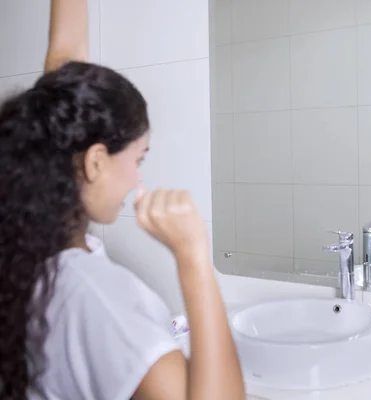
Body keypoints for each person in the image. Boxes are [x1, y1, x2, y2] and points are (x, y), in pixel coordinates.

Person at [0, 0, 245, 399]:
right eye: (138, 158)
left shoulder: (23, 244)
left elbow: (64, 59)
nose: (138, 178)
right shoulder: (96, 298)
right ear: (96, 160)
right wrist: (193, 259)